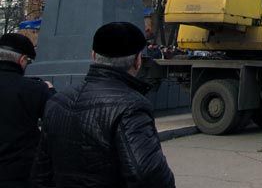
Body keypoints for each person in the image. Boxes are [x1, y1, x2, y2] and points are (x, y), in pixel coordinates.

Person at [31, 22, 175, 188]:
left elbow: (41, 173)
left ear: (93, 55)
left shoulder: (57, 101)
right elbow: (148, 175)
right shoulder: (132, 106)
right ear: (138, 61)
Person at [0, 33, 54, 188]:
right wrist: (50, 92)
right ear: (22, 60)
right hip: (20, 174)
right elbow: (56, 119)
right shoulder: (34, 89)